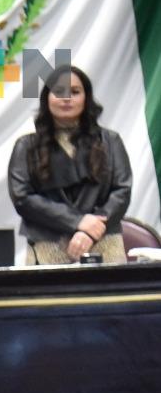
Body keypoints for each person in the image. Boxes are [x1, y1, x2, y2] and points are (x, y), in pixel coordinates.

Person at [8, 65, 132, 264]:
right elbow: (22, 197)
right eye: (59, 92)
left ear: (87, 98)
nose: (67, 98)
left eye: (75, 92)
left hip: (103, 240)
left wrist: (91, 231)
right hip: (48, 244)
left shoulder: (110, 140)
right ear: (46, 98)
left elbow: (122, 191)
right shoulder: (26, 146)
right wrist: (78, 221)